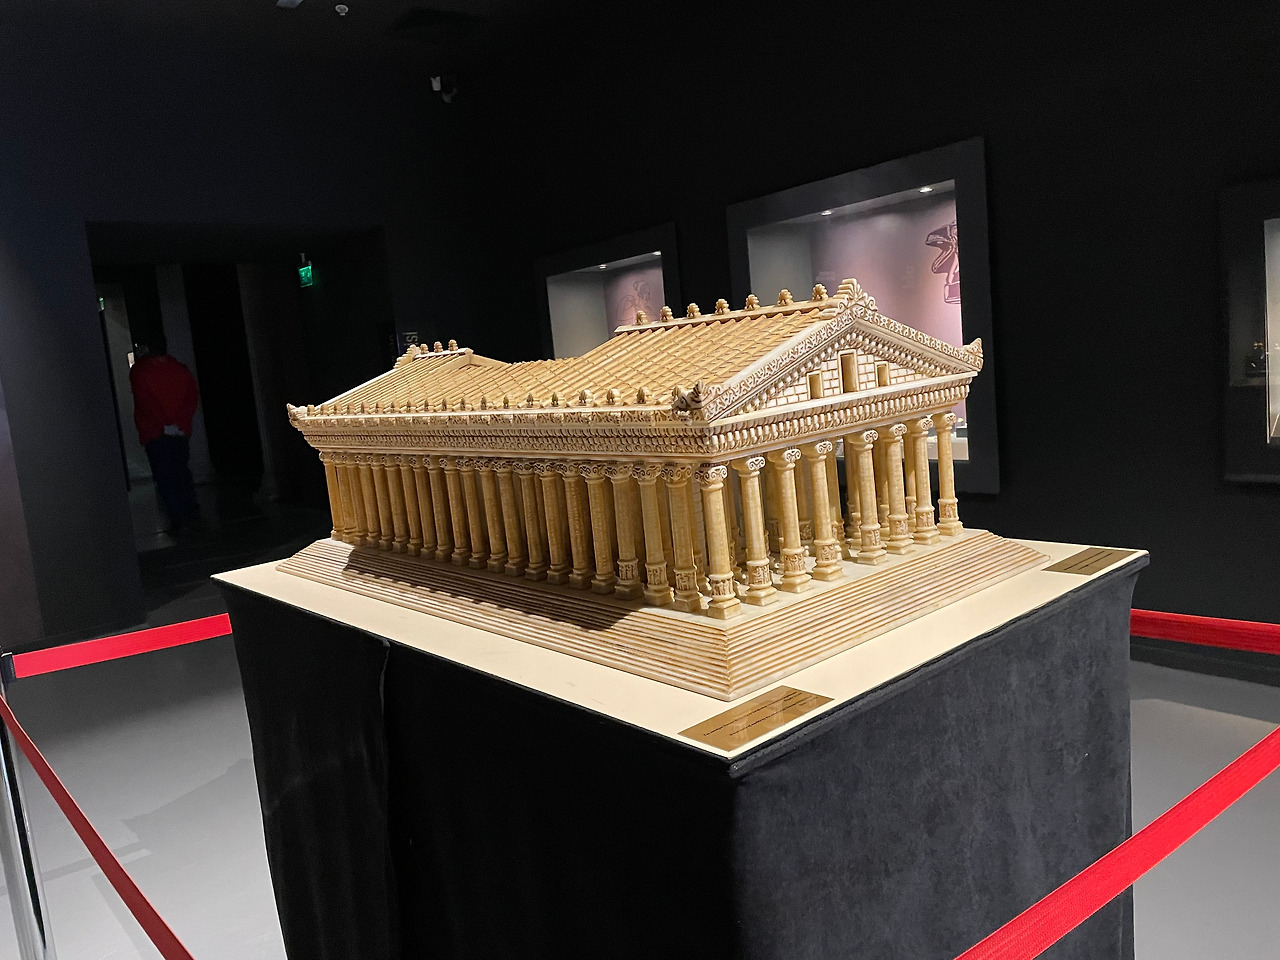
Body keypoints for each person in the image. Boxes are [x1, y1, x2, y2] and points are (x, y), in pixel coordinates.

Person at [129, 339, 201, 533]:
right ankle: (192, 514)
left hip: (155, 432)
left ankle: (179, 519)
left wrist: (164, 424)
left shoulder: (140, 371)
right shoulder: (180, 369)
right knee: (181, 472)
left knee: (165, 477)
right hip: (180, 430)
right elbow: (191, 397)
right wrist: (179, 422)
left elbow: (146, 402)